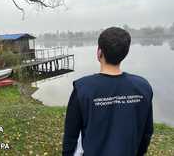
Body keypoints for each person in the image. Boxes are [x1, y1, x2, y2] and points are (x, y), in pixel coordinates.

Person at [62, 27, 153, 156]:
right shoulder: (143, 87)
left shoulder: (83, 88)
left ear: (99, 52)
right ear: (125, 53)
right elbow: (147, 132)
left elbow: (71, 137)